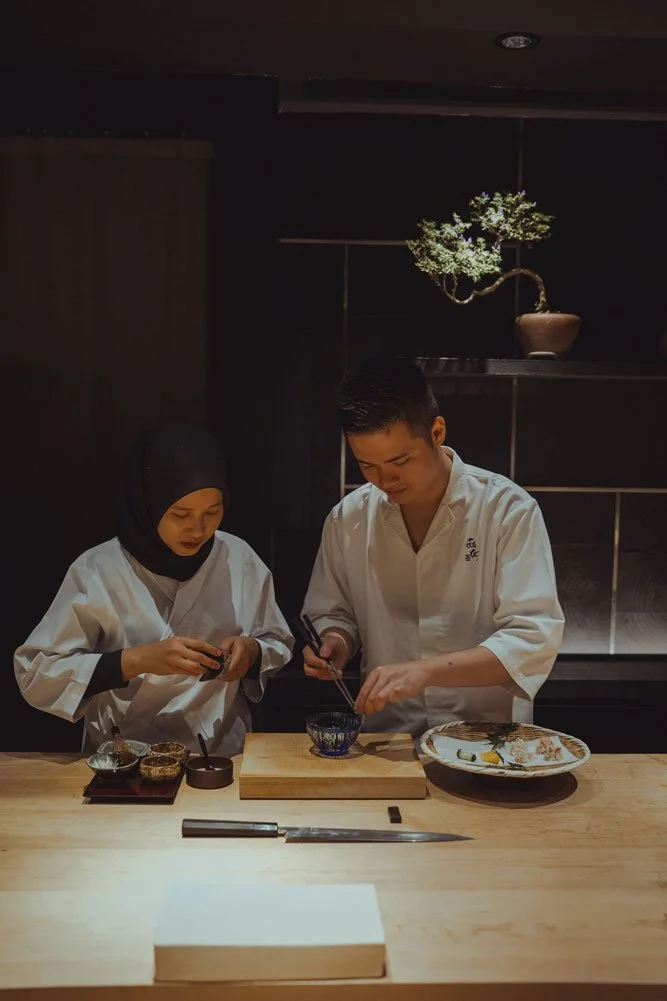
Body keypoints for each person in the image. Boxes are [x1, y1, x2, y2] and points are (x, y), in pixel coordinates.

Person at [302, 357, 564, 737]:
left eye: (400, 461)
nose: (384, 480)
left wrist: (425, 672)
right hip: (388, 738)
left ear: (437, 431)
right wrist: (334, 642)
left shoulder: (506, 510)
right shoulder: (349, 519)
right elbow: (334, 612)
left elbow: (531, 638)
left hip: (487, 740)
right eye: (367, 466)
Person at [15, 423, 293, 754]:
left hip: (220, 755)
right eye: (181, 513)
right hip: (123, 759)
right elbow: (36, 673)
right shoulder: (99, 569)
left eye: (212, 512)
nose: (198, 528)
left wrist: (253, 652)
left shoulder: (240, 559)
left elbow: (277, 642)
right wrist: (136, 660)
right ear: (148, 504)